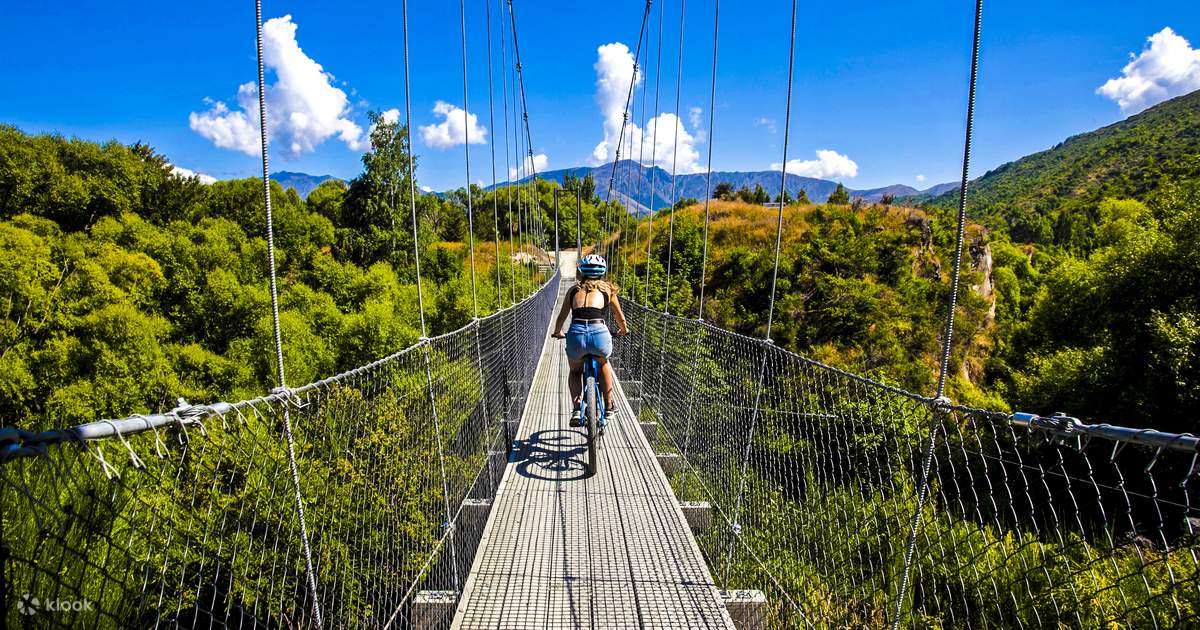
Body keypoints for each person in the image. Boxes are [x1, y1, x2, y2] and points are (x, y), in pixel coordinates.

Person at [551, 254, 629, 426]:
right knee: (603, 363)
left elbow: (562, 316)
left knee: (575, 371)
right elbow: (619, 316)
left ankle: (577, 409)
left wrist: (557, 332)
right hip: (599, 333)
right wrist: (624, 330)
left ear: (582, 271)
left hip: (576, 335)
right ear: (603, 272)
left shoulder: (573, 290)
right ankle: (609, 406)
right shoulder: (608, 290)